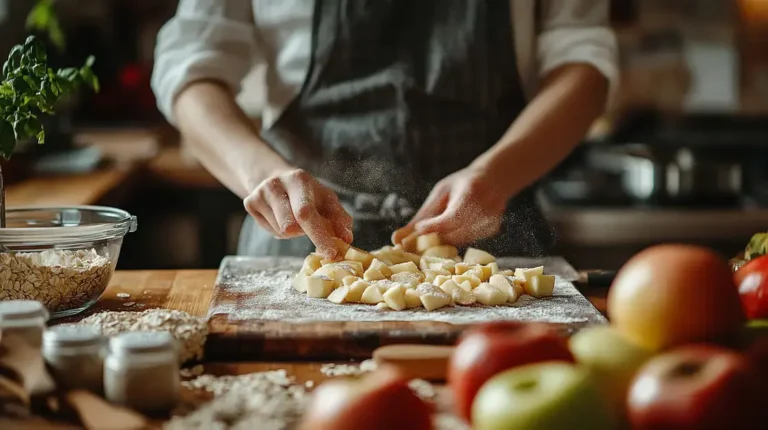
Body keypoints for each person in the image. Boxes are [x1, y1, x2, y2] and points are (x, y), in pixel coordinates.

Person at [152, 0, 617, 260]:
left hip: (494, 241)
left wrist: (497, 173)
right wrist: (261, 174)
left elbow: (583, 60)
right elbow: (190, 67)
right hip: (302, 245)